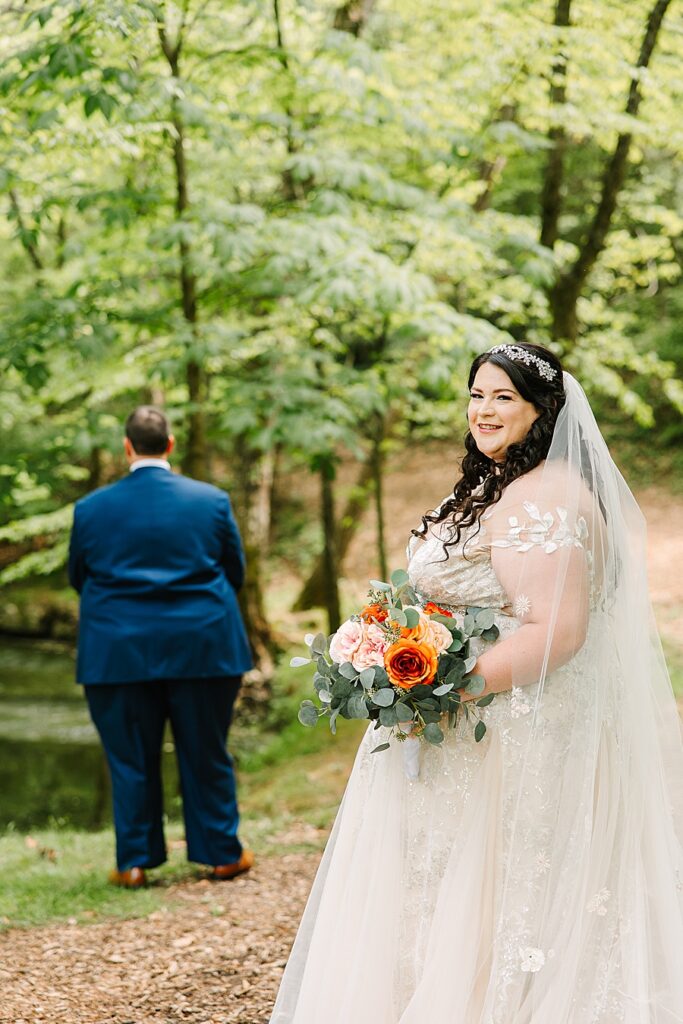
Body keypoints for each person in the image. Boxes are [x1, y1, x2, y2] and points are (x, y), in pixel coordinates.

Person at [270, 344, 683, 1023]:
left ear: (540, 410)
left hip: (512, 731)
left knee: (500, 896)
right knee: (458, 894)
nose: (483, 410)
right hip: (482, 722)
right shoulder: (498, 483)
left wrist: (435, 691)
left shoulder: (542, 497)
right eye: (476, 395)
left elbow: (557, 631)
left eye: (502, 398)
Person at [68, 406, 254, 887]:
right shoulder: (210, 500)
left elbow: (78, 577)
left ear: (127, 447)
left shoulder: (90, 509)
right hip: (204, 646)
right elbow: (234, 572)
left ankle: (133, 862)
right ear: (169, 445)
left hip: (118, 652)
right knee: (206, 750)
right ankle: (221, 855)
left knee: (129, 757)